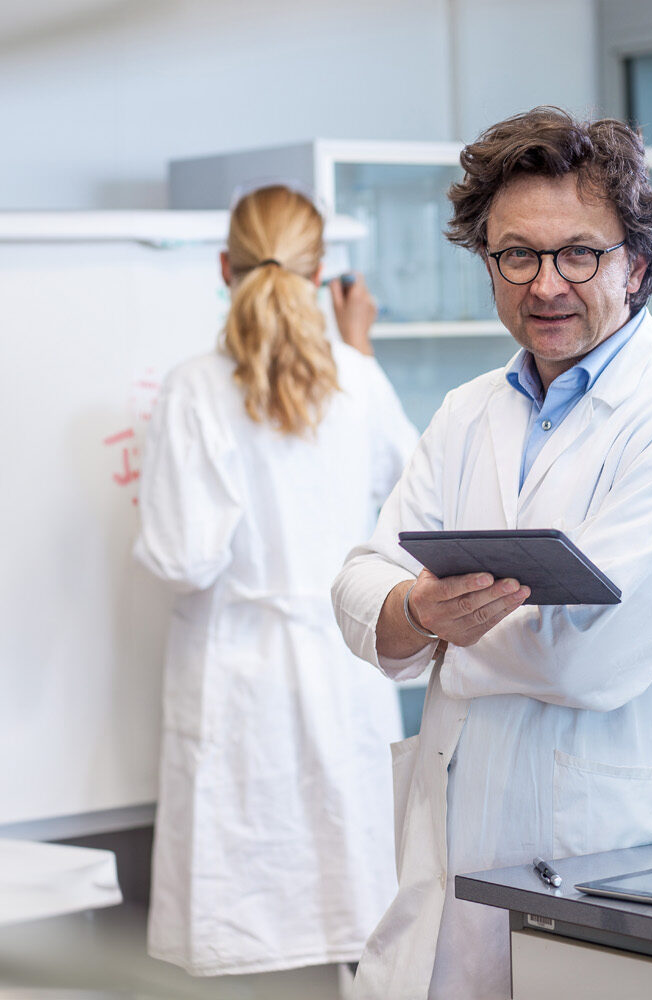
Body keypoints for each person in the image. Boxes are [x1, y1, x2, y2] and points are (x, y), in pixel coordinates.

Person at [331, 107, 652, 1000]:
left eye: (579, 254)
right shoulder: (465, 412)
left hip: (615, 850)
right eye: (515, 254)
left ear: (636, 265)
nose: (545, 283)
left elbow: (590, 656)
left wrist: (440, 628)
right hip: (456, 848)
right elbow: (361, 586)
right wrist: (412, 611)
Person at [134, 184, 418, 978]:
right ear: (321, 271)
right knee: (356, 913)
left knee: (242, 928)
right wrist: (357, 349)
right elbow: (419, 501)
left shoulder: (195, 387)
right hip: (343, 664)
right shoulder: (357, 380)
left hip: (237, 679)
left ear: (223, 267)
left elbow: (185, 557)